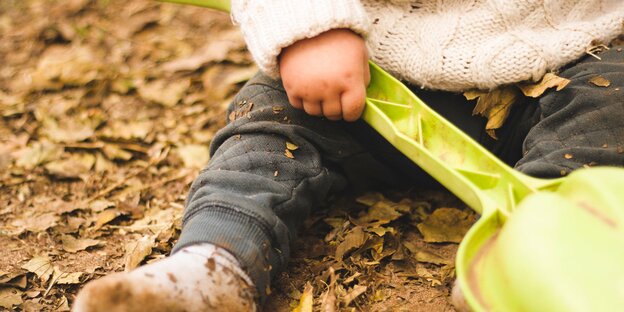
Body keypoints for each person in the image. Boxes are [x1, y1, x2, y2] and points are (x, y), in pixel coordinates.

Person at [73, 1, 624, 311]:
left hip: (571, 60)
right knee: (270, 126)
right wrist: (307, 26)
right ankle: (215, 262)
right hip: (368, 78)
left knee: (611, 102)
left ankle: (543, 255)